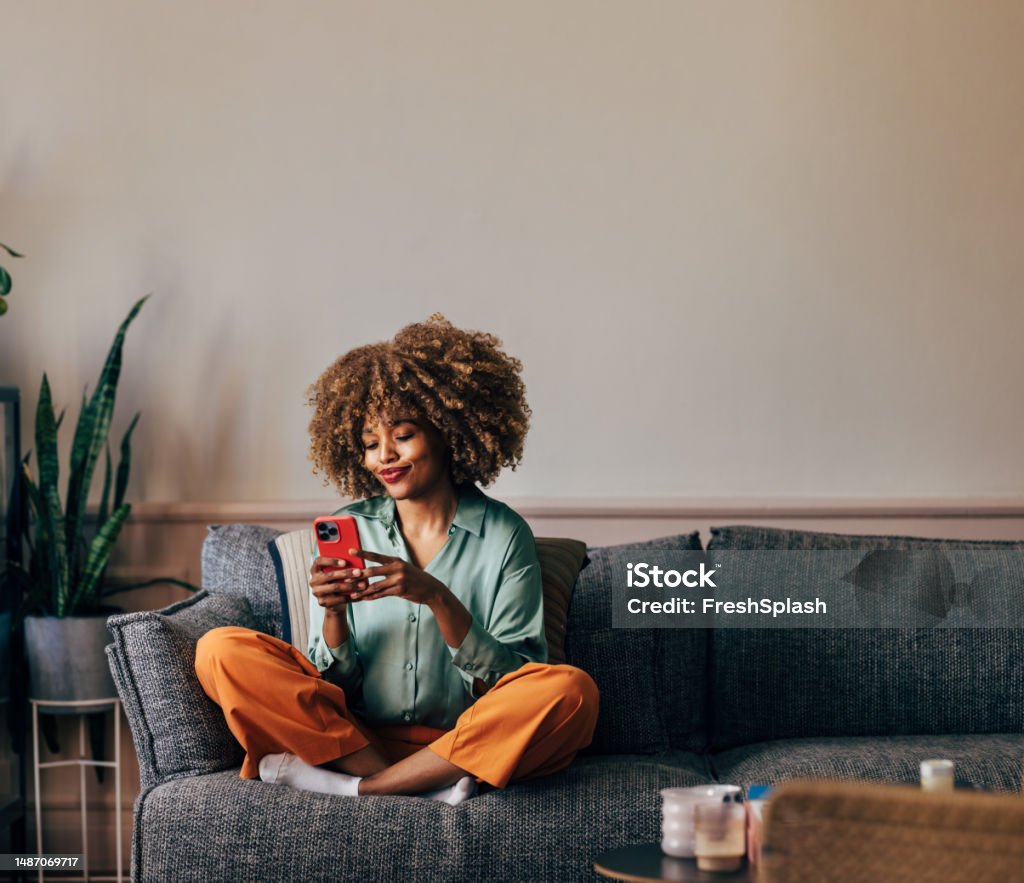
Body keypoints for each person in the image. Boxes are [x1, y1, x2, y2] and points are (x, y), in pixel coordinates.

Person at [194, 313, 599, 804]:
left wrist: (435, 596)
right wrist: (333, 614)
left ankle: (368, 789)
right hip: (356, 738)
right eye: (369, 444)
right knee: (220, 649)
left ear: (448, 431)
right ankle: (414, 786)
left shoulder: (503, 534)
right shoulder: (351, 527)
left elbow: (516, 678)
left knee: (571, 691)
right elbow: (329, 686)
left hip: (463, 742)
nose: (383, 456)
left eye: (402, 435)